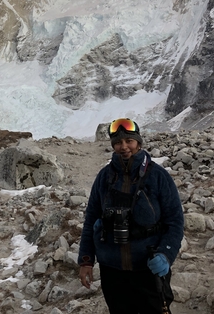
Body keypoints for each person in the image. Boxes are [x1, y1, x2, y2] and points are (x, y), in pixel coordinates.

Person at [78, 118, 184, 313]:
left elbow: (175, 221)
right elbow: (91, 219)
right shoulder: (104, 177)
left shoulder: (158, 176)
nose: (124, 147)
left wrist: (166, 254)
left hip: (148, 268)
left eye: (129, 141)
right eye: (118, 143)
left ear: (138, 143)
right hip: (112, 270)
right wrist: (86, 260)